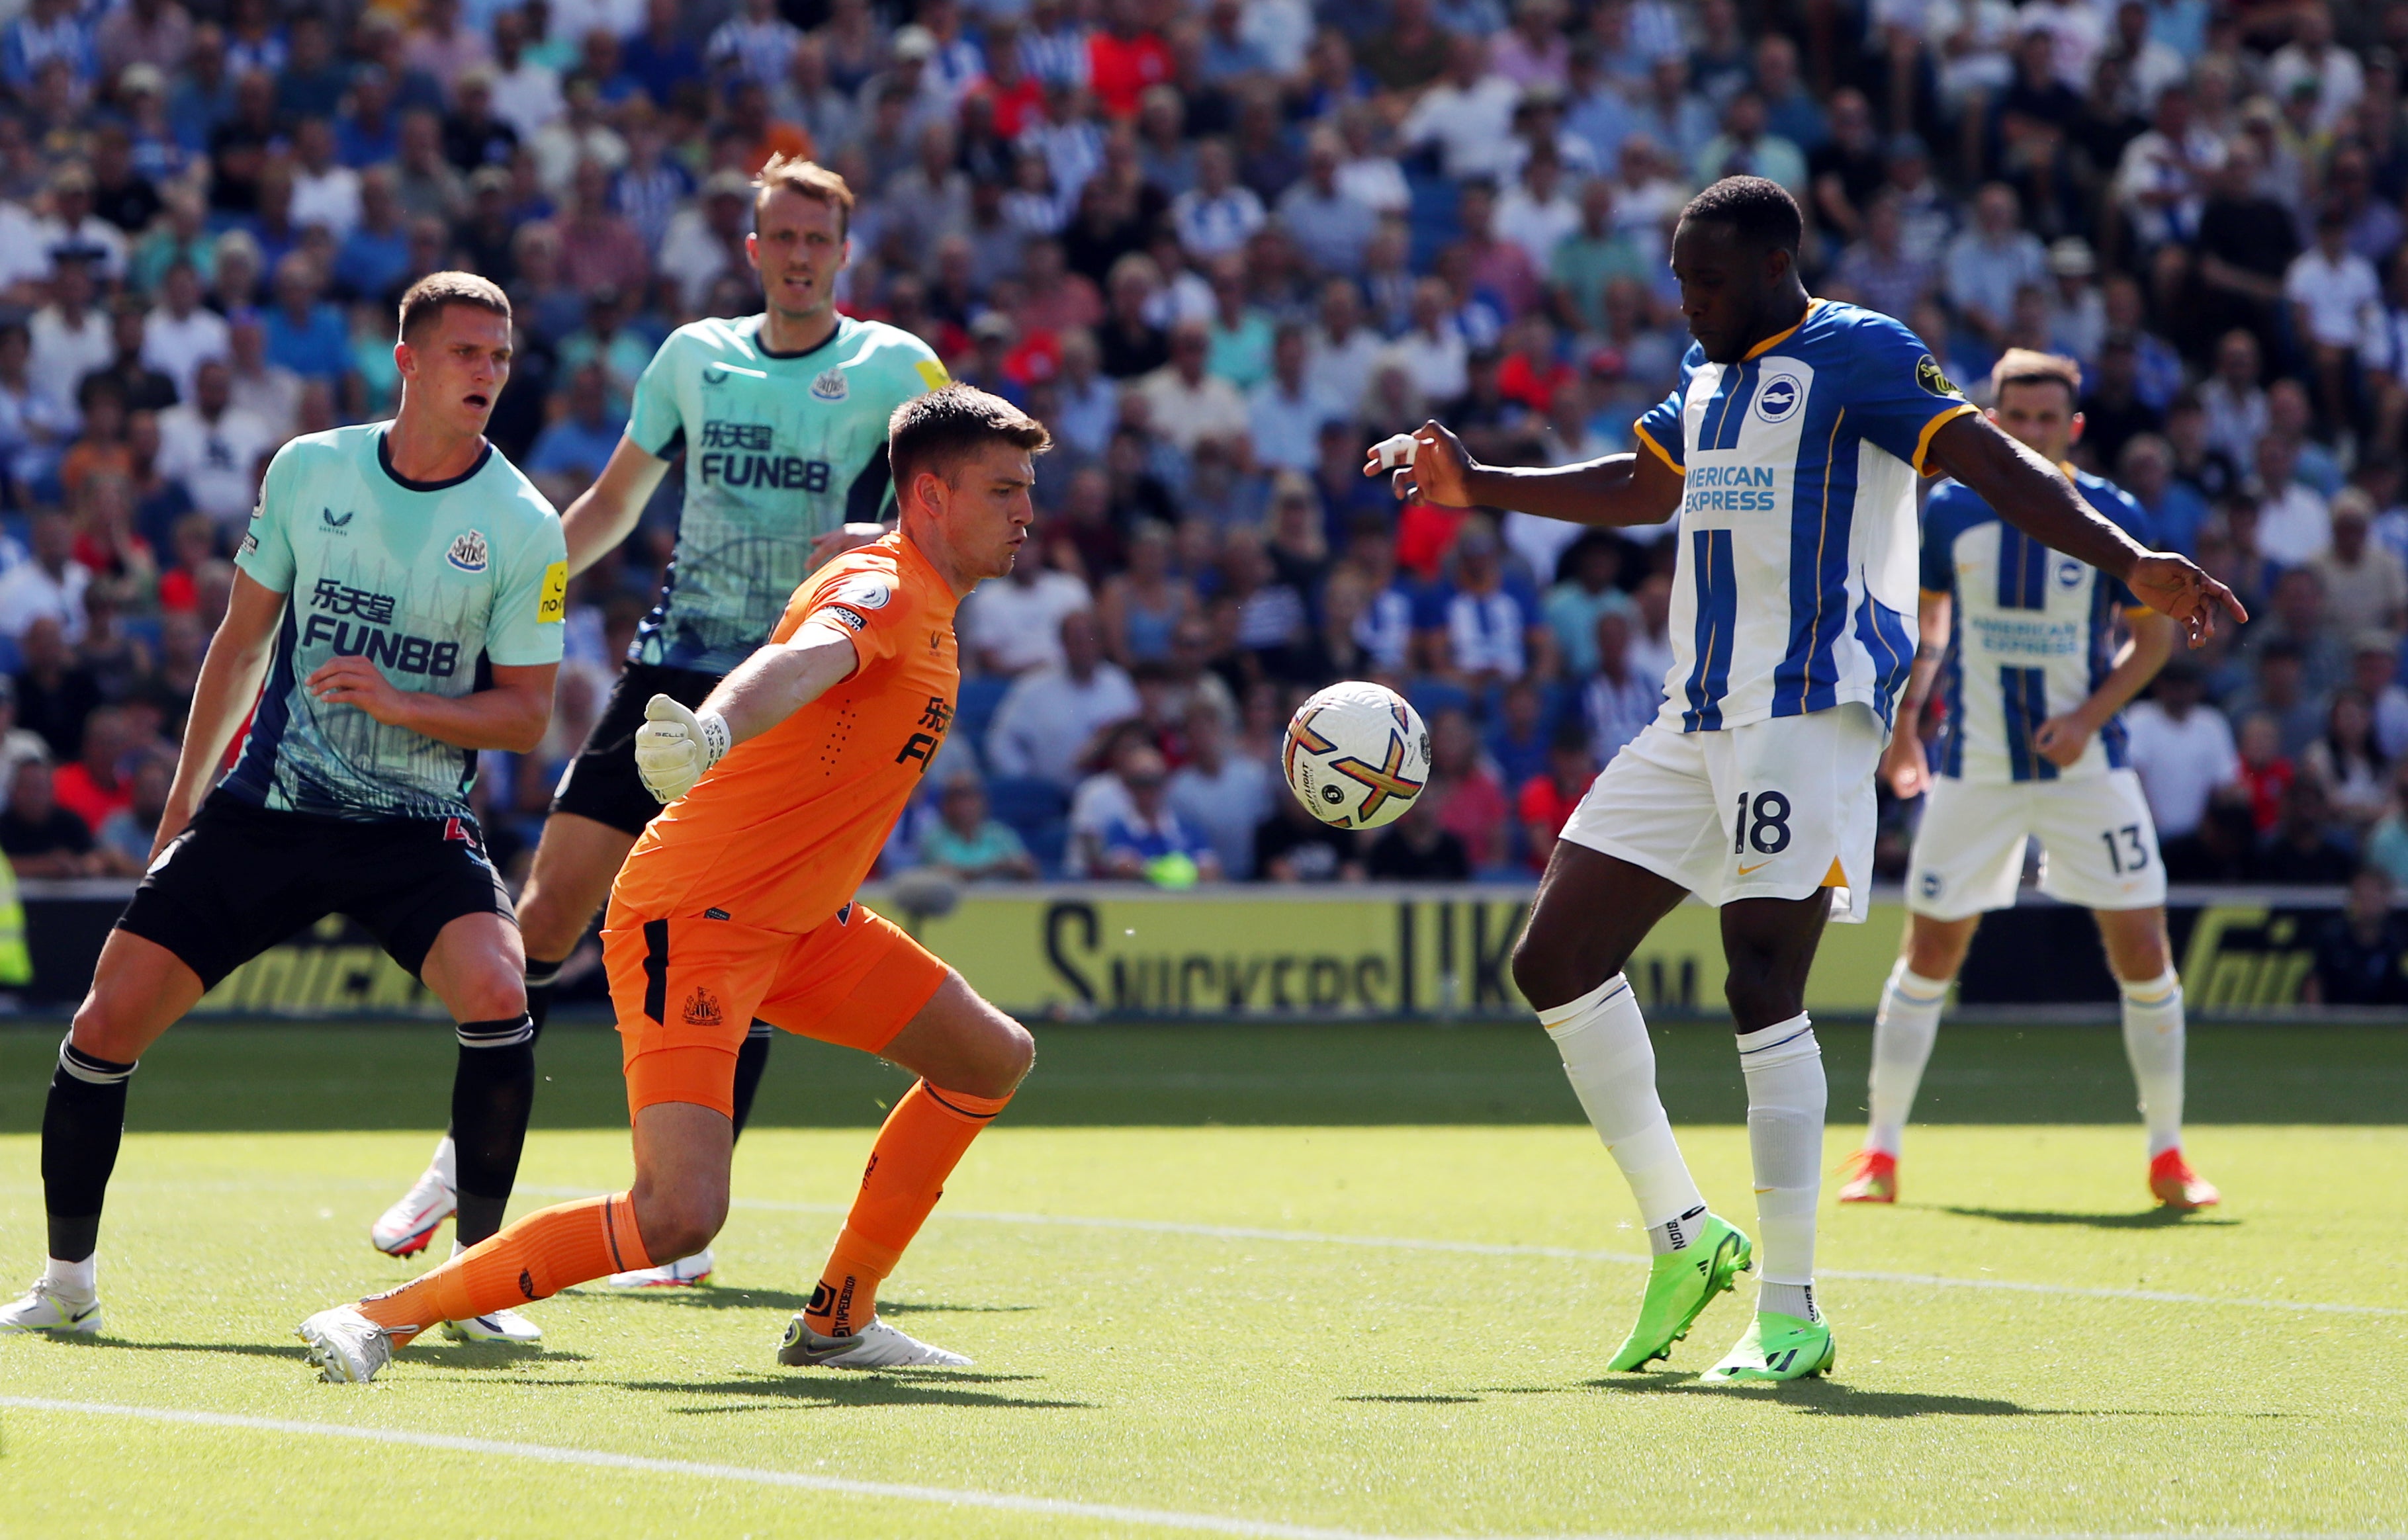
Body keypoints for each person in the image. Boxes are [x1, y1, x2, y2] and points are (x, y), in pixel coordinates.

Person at [1369, 177, 2241, 1384]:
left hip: (1810, 712)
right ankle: (1686, 1234)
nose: (1689, 301)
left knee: (1760, 977)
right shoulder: (1711, 372)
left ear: (1778, 262)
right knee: (1553, 960)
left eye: (1708, 281)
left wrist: (2127, 555)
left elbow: (1990, 463)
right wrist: (1486, 487)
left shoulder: (1861, 353)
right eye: (1680, 279)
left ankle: (1790, 1309)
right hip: (1697, 713)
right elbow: (1645, 486)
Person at [297, 385, 1047, 1384]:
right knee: (678, 1216)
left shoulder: (928, 596)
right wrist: (713, 732)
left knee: (990, 1058)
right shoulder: (886, 585)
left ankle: (838, 1320)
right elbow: (800, 659)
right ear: (932, 498)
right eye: (1003, 490)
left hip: (800, 925)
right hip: (695, 916)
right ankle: (382, 1315)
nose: (1026, 512)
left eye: (1027, 490)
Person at [369, 156, 944, 1290]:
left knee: (757, 938)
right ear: (751, 249)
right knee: (543, 915)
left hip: (800, 673)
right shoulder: (695, 358)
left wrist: (884, 550)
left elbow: (952, 508)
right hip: (672, 671)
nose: (796, 256)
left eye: (815, 239)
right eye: (778, 236)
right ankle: (462, 1162)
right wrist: (505, 595)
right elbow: (617, 504)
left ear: (844, 251)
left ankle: (689, 1228)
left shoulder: (897, 366)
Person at [1, 274, 568, 1343]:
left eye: (500, 357)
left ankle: (476, 1289)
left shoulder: (524, 524)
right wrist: (181, 805)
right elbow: (239, 643)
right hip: (269, 808)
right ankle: (65, 1286)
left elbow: (527, 718)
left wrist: (400, 700)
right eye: (466, 354)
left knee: (498, 996)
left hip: (416, 828)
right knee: (102, 1021)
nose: (488, 374)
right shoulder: (310, 470)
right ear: (407, 360)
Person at [1839, 349, 2216, 1215]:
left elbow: (2153, 637)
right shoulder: (1951, 512)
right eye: (2019, 419)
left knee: (2144, 950)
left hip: (2090, 766)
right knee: (1929, 952)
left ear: (2074, 427)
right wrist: (1905, 733)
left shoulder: (2113, 515)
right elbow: (1929, 629)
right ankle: (1880, 1153)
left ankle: (2168, 1156)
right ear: (1993, 420)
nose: (2035, 432)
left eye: (2051, 419)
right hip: (1976, 767)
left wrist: (2088, 716)